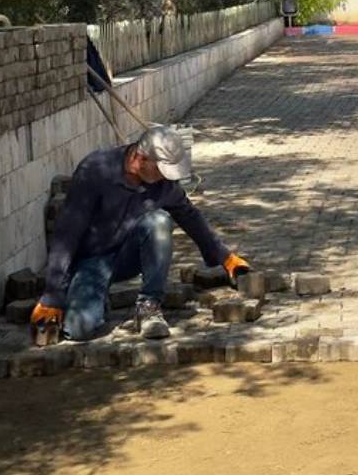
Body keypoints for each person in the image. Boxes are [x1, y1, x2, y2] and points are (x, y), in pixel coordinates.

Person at [29, 125, 250, 341]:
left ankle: (149, 307)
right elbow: (67, 232)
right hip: (92, 261)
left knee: (159, 221)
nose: (165, 178)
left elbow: (189, 215)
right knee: (79, 331)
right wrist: (52, 295)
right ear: (140, 159)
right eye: (161, 170)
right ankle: (95, 297)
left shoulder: (162, 185)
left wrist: (224, 257)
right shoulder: (96, 170)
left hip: (127, 255)